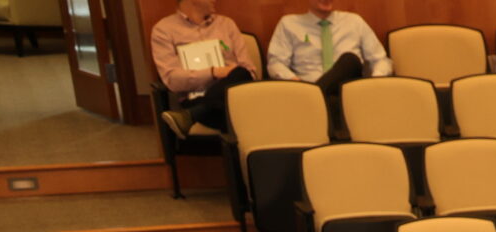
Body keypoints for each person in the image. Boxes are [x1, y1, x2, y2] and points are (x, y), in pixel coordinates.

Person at [151, 0, 259, 135]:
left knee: (242, 73)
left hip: (236, 95)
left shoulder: (226, 24)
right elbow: (172, 80)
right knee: (237, 115)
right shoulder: (163, 30)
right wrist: (213, 72)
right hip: (195, 98)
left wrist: (232, 72)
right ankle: (201, 110)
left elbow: (250, 70)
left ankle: (191, 115)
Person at [264, 0, 387, 105]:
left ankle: (314, 97)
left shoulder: (354, 21)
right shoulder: (289, 24)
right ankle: (316, 96)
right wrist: (295, 81)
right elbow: (275, 63)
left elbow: (380, 59)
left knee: (350, 60)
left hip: (349, 92)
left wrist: (375, 81)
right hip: (305, 88)